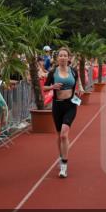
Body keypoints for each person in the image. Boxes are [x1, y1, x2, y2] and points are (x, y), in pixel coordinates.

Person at [44, 47, 83, 178]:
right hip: (57, 106)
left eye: (65, 55)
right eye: (60, 55)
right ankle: (61, 156)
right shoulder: (53, 72)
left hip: (71, 105)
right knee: (59, 135)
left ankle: (64, 166)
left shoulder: (73, 71)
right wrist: (52, 87)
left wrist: (80, 88)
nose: (62, 57)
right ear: (57, 58)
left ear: (68, 58)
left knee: (64, 135)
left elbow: (77, 80)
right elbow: (43, 87)